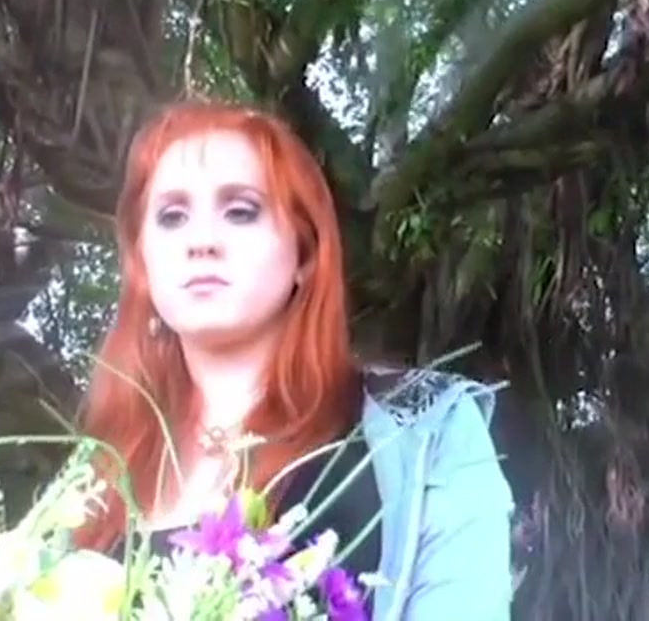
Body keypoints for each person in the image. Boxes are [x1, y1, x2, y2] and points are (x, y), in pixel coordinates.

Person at [74, 99, 515, 619]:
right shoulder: (96, 480)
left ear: (304, 253)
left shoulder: (424, 431)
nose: (201, 241)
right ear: (142, 262)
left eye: (240, 211)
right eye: (172, 217)